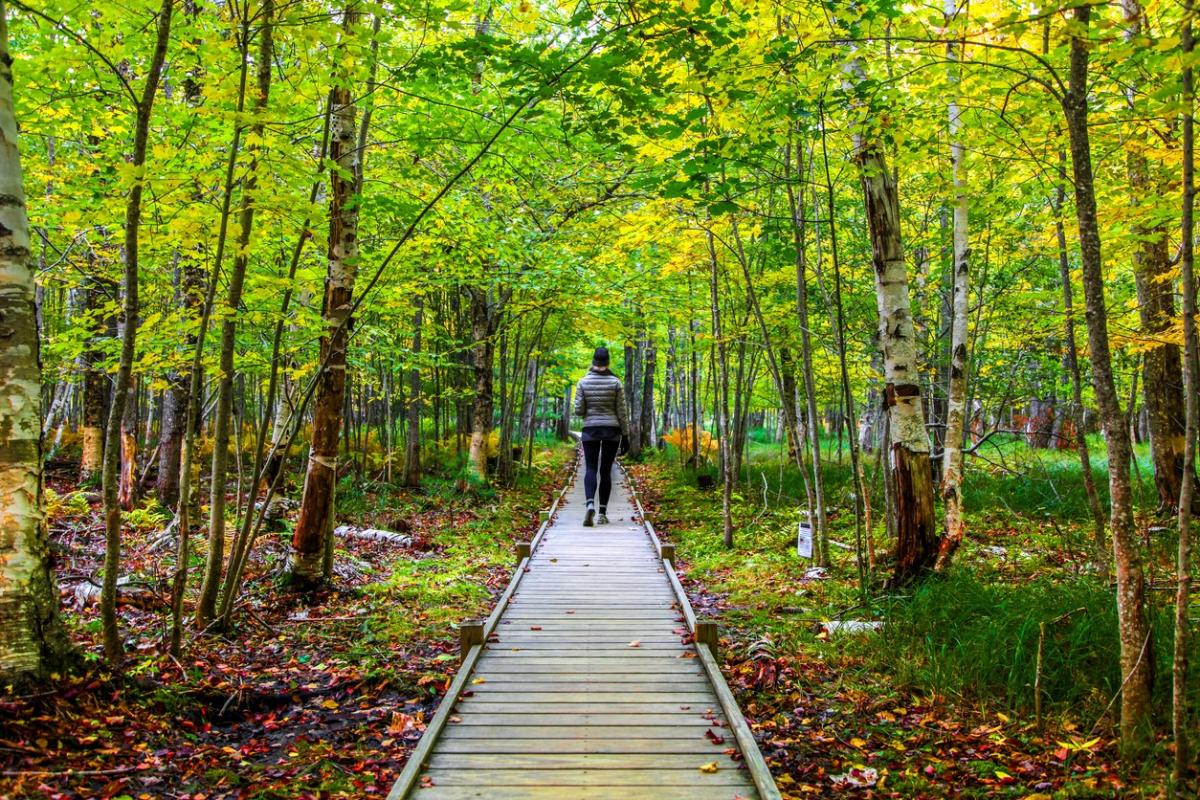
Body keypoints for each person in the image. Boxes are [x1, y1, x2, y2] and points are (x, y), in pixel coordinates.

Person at [574, 346, 629, 527]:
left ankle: (590, 503)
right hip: (611, 430)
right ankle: (603, 513)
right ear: (608, 363)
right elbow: (622, 412)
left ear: (593, 361)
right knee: (605, 471)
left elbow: (579, 411)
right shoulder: (616, 383)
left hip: (590, 429)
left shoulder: (582, 382)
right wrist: (626, 434)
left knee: (590, 468)